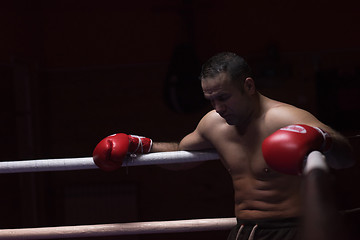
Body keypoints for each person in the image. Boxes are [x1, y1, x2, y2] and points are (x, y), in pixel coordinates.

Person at [93, 52, 354, 240]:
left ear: (248, 86)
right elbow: (184, 155)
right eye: (211, 99)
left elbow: (347, 157)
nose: (218, 108)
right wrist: (140, 145)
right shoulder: (214, 124)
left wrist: (323, 139)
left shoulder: (285, 119)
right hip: (243, 231)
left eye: (224, 97)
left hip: (292, 229)